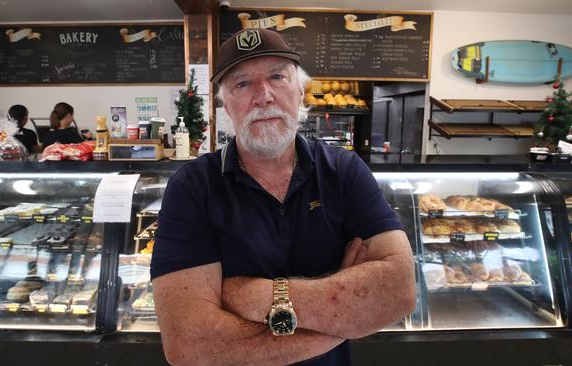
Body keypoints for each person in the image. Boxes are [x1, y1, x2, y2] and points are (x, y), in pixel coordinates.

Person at [151, 28, 415, 365]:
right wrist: (344, 318)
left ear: (301, 92)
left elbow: (399, 291)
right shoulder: (191, 188)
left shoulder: (344, 171)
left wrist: (258, 296)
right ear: (225, 104)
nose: (263, 96)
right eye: (242, 83)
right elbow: (189, 345)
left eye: (277, 77)